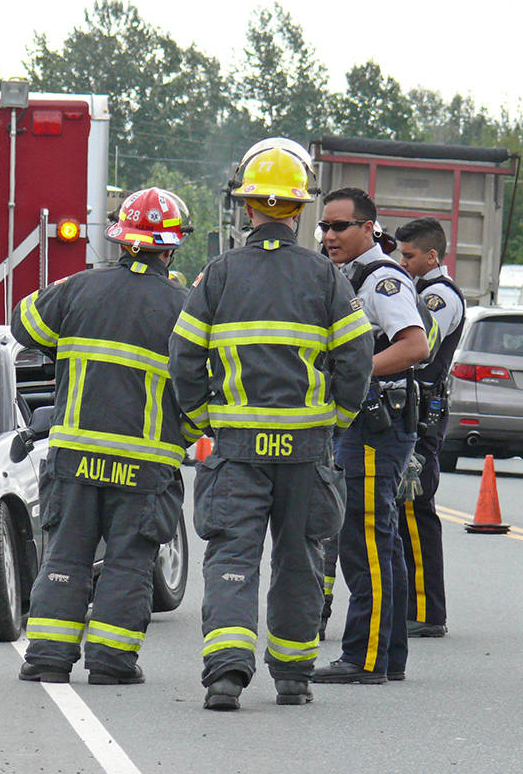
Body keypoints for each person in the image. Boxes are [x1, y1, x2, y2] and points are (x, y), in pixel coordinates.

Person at [168, 140, 374, 710]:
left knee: (233, 556)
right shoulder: (327, 277)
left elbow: (182, 355)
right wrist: (337, 418)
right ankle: (292, 674)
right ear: (300, 210)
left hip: (235, 448)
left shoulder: (218, 274)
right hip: (307, 449)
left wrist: (202, 419)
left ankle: (227, 675)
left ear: (248, 207)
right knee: (300, 558)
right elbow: (356, 359)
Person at [12, 187, 198, 686]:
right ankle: (112, 664)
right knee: (128, 563)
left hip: (76, 456)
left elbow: (24, 325)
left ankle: (48, 659)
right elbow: (204, 388)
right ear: (171, 246)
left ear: (120, 239)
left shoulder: (76, 289)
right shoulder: (185, 306)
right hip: (145, 465)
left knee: (66, 555)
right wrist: (185, 434)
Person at [312, 186, 430, 685]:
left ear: (368, 228)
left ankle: (363, 658)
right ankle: (391, 656)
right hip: (366, 423)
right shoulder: (349, 275)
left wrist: (352, 375)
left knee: (363, 541)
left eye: (340, 226)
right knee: (380, 542)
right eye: (325, 226)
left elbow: (415, 346)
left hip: (375, 424)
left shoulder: (382, 280)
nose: (329, 234)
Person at [395, 217, 465, 639]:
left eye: (408, 255)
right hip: (411, 410)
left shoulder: (438, 296)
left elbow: (424, 346)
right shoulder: (418, 290)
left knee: (416, 510)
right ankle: (412, 604)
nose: (401, 263)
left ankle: (426, 611)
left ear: (432, 256)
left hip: (424, 415)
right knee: (402, 513)